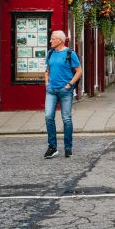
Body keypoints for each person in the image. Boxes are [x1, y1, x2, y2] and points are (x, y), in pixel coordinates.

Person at [43, 30, 82, 159]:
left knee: (66, 119)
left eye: (52, 39)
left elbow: (78, 71)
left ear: (60, 40)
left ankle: (68, 148)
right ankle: (52, 147)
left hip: (65, 91)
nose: (50, 41)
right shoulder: (50, 53)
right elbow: (47, 71)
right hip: (51, 90)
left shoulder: (70, 53)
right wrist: (47, 84)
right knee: (49, 117)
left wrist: (69, 85)